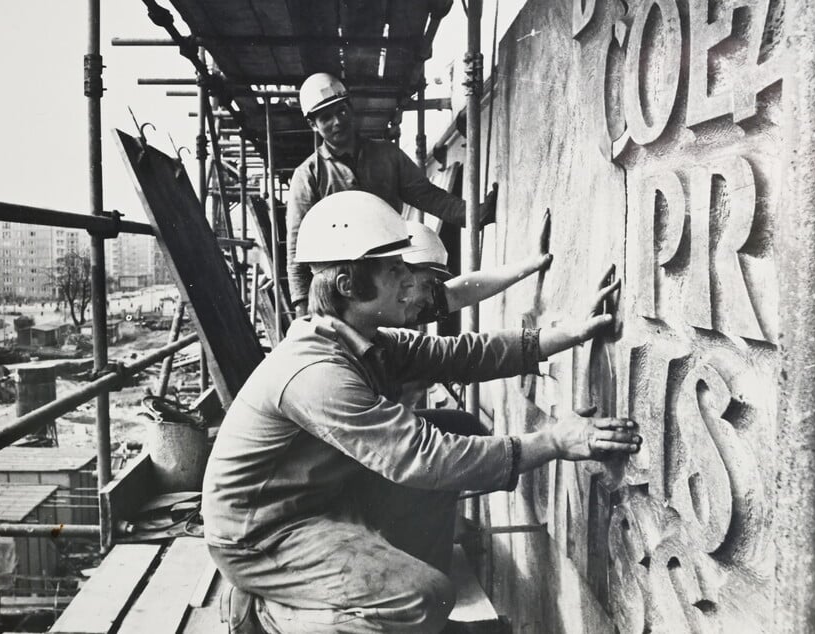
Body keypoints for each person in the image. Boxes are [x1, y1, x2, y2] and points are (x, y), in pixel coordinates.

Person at [203, 191, 639, 633]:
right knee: (421, 596)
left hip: (322, 496)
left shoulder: (365, 339)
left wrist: (563, 335)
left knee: (456, 429)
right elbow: (423, 456)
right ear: (348, 286)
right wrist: (553, 441)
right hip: (262, 535)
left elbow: (459, 354)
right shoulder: (316, 373)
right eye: (395, 272)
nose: (411, 284)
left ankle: (384, 602)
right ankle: (271, 614)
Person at [286, 72, 497, 317]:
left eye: (341, 111)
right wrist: (303, 312)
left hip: (387, 278)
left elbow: (428, 196)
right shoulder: (308, 176)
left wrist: (474, 214)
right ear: (313, 124)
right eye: (325, 117)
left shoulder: (386, 156)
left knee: (394, 347)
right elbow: (296, 248)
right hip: (339, 289)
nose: (336, 122)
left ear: (350, 109)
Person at [402, 212, 553, 326]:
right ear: (398, 271)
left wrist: (531, 263)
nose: (430, 298)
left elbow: (460, 292)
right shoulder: (388, 339)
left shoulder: (401, 308)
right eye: (426, 285)